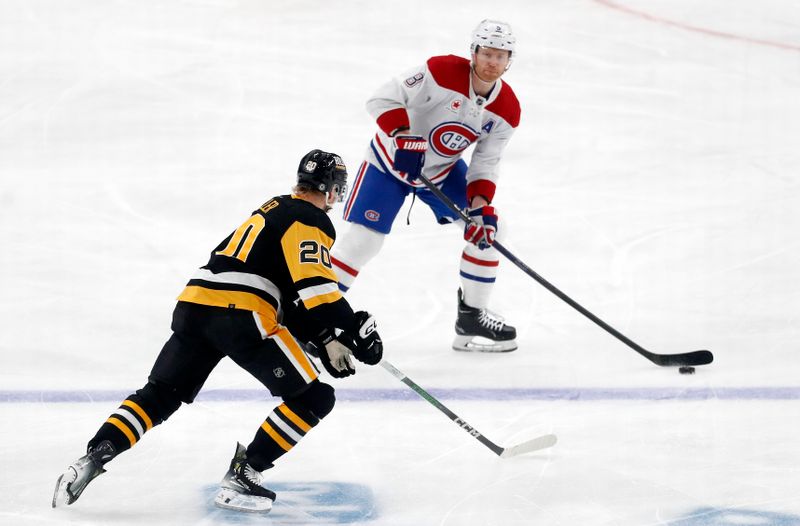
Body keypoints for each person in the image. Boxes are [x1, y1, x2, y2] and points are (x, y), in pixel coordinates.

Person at [52, 150, 383, 514]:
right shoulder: (310, 218)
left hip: (195, 304)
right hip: (241, 313)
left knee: (160, 395)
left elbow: (289, 296)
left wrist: (325, 339)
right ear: (331, 189)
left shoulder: (272, 209)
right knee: (314, 398)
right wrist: (354, 328)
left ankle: (92, 457)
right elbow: (317, 291)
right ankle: (245, 473)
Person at [331, 19, 520, 353]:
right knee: (363, 242)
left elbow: (486, 162)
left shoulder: (506, 109)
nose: (493, 62)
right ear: (473, 53)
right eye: (487, 53)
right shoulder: (440, 72)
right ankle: (312, 319)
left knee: (490, 231)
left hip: (441, 172)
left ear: (509, 60)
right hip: (388, 163)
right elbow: (381, 99)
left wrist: (479, 209)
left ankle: (471, 317)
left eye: (501, 56)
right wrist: (402, 136)